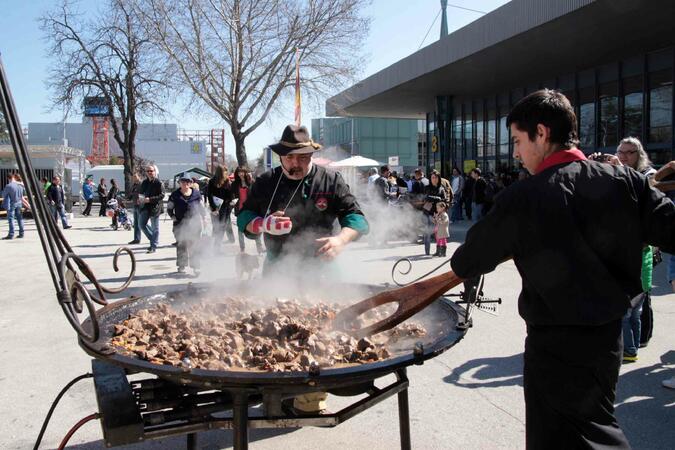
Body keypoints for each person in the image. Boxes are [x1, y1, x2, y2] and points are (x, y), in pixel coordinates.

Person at [450, 89, 675, 449]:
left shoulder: (523, 198)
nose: (516, 153)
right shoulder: (626, 182)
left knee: (568, 439)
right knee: (595, 424)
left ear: (541, 133)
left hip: (554, 348)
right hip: (607, 341)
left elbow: (466, 261)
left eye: (518, 141)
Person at [238, 124, 368, 273]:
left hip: (322, 267)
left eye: (302, 157)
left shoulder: (331, 180)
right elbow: (243, 217)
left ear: (311, 155)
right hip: (277, 269)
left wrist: (341, 240)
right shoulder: (265, 181)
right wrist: (263, 224)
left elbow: (358, 219)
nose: (295, 163)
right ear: (280, 156)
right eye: (289, 157)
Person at [167, 176, 206, 275]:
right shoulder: (174, 195)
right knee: (181, 245)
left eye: (188, 182)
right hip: (180, 224)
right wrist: (173, 216)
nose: (185, 183)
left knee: (195, 245)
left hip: (195, 224)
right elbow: (169, 208)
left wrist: (204, 218)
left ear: (191, 183)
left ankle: (196, 267)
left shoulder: (196, 194)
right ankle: (181, 266)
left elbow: (201, 207)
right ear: (179, 183)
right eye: (183, 182)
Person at [231, 166, 263, 254]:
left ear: (245, 172)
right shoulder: (235, 184)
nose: (241, 174)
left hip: (251, 208)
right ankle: (242, 249)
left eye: (242, 172)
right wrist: (233, 200)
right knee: (240, 229)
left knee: (256, 227)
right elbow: (231, 194)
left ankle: (259, 249)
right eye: (239, 172)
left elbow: (256, 193)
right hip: (240, 208)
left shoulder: (251, 182)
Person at [208, 165, 236, 246]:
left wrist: (231, 201)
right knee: (218, 226)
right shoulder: (212, 181)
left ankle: (217, 245)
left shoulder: (227, 181)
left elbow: (230, 195)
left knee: (222, 226)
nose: (226, 173)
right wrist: (214, 208)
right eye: (225, 171)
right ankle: (215, 245)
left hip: (225, 207)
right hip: (217, 207)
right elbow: (209, 195)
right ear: (220, 172)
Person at [138, 165, 164, 253]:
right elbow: (141, 193)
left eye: (151, 171)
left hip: (155, 208)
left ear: (155, 172)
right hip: (145, 206)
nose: (150, 172)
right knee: (141, 225)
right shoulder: (144, 182)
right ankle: (153, 240)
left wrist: (150, 199)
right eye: (148, 171)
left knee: (155, 228)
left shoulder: (158, 182)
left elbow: (162, 195)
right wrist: (140, 199)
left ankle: (153, 246)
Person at [422, 171, 446, 256]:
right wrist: (437, 198)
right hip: (427, 213)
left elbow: (444, 201)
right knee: (427, 233)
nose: (434, 179)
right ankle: (427, 252)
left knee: (439, 234)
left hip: (438, 214)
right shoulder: (427, 187)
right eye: (432, 177)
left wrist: (436, 199)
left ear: (439, 178)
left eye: (436, 177)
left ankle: (438, 251)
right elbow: (426, 198)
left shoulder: (442, 188)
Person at [2, 173, 25, 239]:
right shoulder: (20, 185)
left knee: (11, 219)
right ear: (13, 177)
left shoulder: (8, 186)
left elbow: (3, 195)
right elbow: (22, 195)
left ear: (8, 178)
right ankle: (21, 233)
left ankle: (11, 234)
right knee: (20, 218)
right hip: (19, 203)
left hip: (12, 203)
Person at [127, 173, 143, 245]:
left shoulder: (141, 184)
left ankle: (152, 236)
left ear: (139, 177)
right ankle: (136, 239)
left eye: (135, 177)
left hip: (140, 205)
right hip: (135, 205)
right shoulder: (134, 185)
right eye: (133, 177)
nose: (134, 178)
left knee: (142, 223)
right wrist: (127, 198)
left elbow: (143, 193)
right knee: (136, 223)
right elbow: (132, 194)